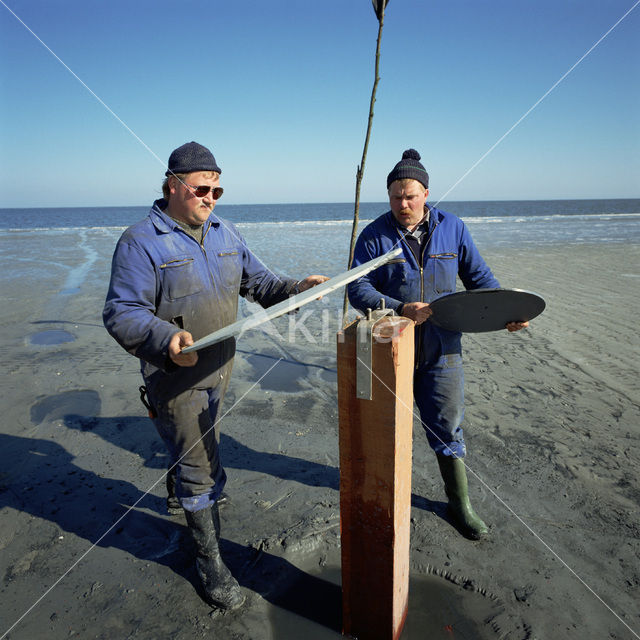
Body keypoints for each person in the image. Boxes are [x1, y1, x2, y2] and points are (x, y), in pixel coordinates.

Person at [103, 141, 327, 609]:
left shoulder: (227, 234)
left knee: (197, 443)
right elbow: (122, 311)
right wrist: (165, 340)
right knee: (201, 468)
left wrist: (295, 288)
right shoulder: (139, 240)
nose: (211, 198)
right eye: (202, 189)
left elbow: (260, 284)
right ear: (173, 186)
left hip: (222, 367)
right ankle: (211, 566)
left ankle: (179, 484)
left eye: (218, 190)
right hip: (175, 373)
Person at [347, 149, 528, 540]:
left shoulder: (454, 229)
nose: (403, 204)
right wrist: (400, 308)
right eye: (396, 197)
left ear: (426, 193)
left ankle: (459, 504)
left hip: (443, 349)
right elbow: (357, 288)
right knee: (385, 427)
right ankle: (382, 494)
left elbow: (481, 281)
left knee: (447, 426)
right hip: (389, 347)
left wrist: (507, 314)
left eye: (410, 195)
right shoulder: (374, 235)